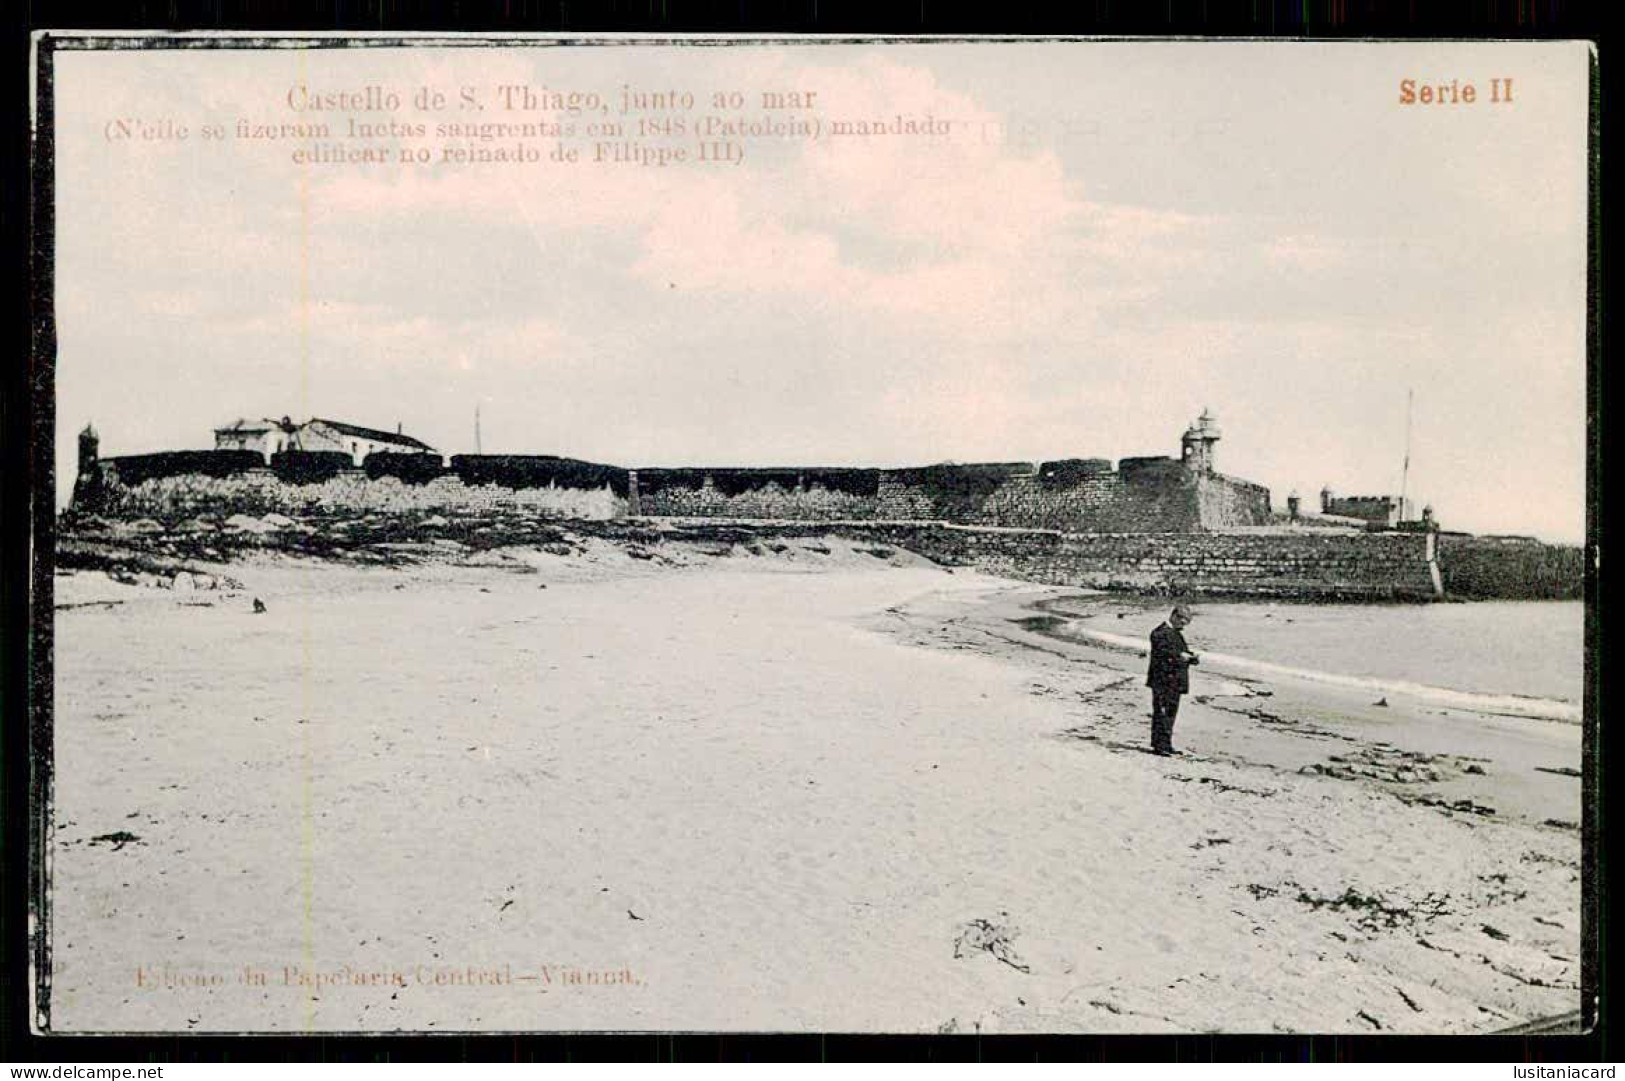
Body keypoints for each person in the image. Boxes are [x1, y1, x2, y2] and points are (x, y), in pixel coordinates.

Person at [1146, 604, 1199, 756]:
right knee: (1162, 712)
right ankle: (1160, 745)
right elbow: (1165, 654)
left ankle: (1165, 744)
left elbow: (1179, 651)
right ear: (1174, 616)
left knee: (1169, 713)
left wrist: (1191, 657)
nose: (1183, 625)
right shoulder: (1160, 633)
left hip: (1172, 680)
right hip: (1163, 679)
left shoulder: (1174, 633)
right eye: (1182, 621)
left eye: (1185, 623)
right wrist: (1181, 657)